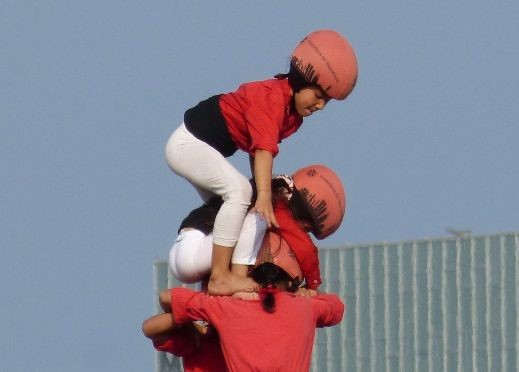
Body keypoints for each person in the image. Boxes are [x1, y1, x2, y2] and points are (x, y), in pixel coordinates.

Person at [165, 29, 358, 295]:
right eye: (319, 95)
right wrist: (264, 194)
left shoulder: (292, 116)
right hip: (188, 146)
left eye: (327, 101)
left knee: (238, 212)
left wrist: (261, 190)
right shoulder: (272, 99)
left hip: (204, 149)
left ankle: (227, 279)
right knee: (242, 194)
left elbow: (257, 149)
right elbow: (263, 149)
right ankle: (222, 277)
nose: (321, 105)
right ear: (302, 79)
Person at [143, 233, 344, 372]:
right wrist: (303, 293)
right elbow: (336, 307)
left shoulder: (225, 310)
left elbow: (162, 304)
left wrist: (199, 311)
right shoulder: (304, 307)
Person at [169, 164, 346, 293]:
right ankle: (233, 281)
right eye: (308, 228)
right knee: (259, 216)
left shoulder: (270, 189)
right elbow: (304, 248)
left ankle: (228, 282)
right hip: (192, 252)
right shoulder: (273, 206)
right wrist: (313, 285)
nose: (304, 231)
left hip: (190, 246)